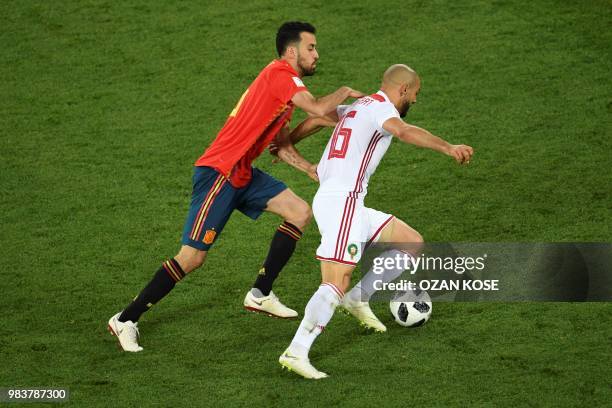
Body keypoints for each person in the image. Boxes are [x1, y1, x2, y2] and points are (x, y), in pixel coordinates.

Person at [107, 21, 365, 352]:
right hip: (219, 173)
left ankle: (260, 293)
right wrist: (343, 92)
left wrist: (309, 168)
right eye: (311, 47)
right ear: (291, 50)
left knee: (299, 212)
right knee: (192, 257)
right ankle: (125, 319)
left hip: (242, 172)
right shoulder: (280, 76)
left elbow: (281, 145)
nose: (316, 54)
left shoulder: (282, 94)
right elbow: (316, 108)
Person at [275, 64, 474, 378]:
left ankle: (359, 298)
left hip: (348, 202)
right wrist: (448, 147)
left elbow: (318, 118)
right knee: (335, 281)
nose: (416, 101)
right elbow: (405, 131)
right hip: (342, 202)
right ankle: (297, 350)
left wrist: (286, 143)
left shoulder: (360, 104)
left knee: (411, 242)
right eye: (416, 94)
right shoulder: (381, 108)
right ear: (404, 90)